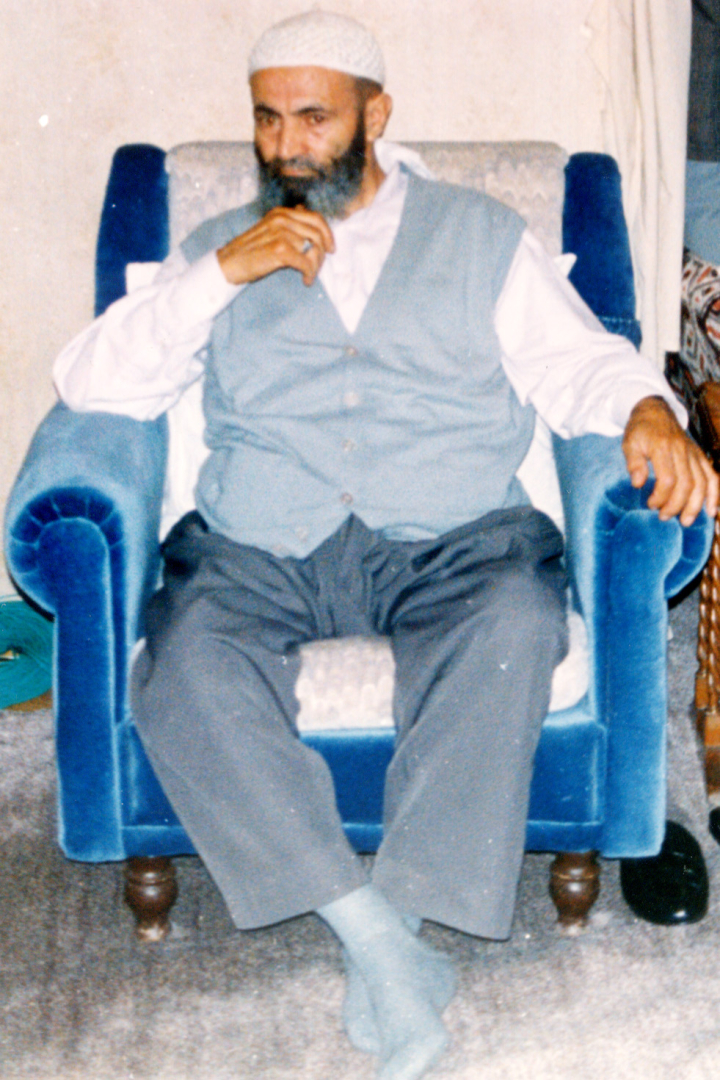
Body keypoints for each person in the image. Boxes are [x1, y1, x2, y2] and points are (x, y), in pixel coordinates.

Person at [53, 12, 719, 1079]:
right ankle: (372, 936)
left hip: (453, 536)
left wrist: (647, 408)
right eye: (268, 119)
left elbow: (577, 360)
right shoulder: (217, 245)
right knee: (180, 672)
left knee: (516, 626)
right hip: (260, 540)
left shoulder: (478, 233)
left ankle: (406, 912)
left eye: (313, 117)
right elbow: (91, 383)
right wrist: (218, 274)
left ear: (376, 115)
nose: (287, 145)